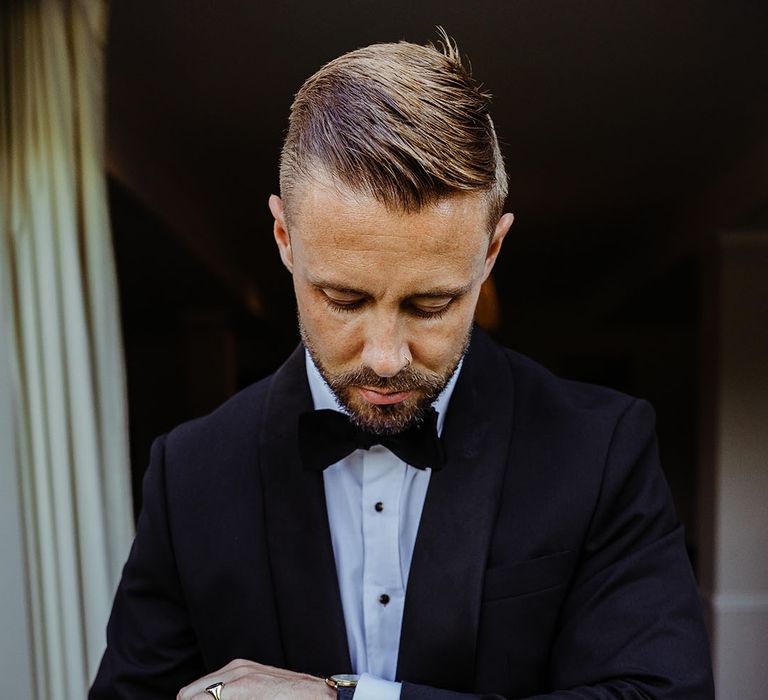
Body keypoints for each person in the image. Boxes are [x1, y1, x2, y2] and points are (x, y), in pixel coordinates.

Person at [90, 34, 714, 700]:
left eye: (431, 303)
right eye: (345, 299)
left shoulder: (603, 449)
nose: (386, 357)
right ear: (284, 241)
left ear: (491, 250)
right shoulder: (190, 474)